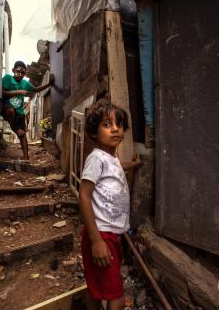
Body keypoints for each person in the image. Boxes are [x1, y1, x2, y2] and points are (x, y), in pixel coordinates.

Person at [79, 99, 140, 310]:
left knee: (97, 290)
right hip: (100, 235)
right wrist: (96, 241)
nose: (115, 129)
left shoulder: (110, 159)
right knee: (116, 297)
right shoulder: (96, 159)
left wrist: (132, 164)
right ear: (94, 132)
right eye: (107, 124)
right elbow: (84, 196)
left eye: (119, 124)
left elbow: (117, 167)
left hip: (111, 235)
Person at [2, 61, 54, 161]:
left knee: (22, 135)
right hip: (6, 108)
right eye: (18, 71)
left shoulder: (25, 83)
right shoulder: (8, 78)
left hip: (20, 111)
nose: (20, 74)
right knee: (10, 111)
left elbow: (36, 89)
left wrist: (49, 84)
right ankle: (14, 128)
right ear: (13, 70)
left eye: (23, 73)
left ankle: (26, 157)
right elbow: (2, 92)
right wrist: (18, 92)